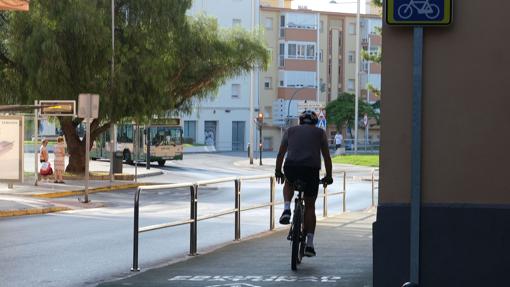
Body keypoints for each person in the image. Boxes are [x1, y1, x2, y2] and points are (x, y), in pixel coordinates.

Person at [275, 110, 333, 257]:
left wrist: (278, 171)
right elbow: (326, 157)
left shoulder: (290, 131)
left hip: (292, 167)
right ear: (315, 122)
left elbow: (281, 153)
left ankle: (287, 209)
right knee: (310, 207)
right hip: (311, 170)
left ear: (300, 121)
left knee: (288, 181)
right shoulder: (320, 133)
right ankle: (310, 244)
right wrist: (329, 176)